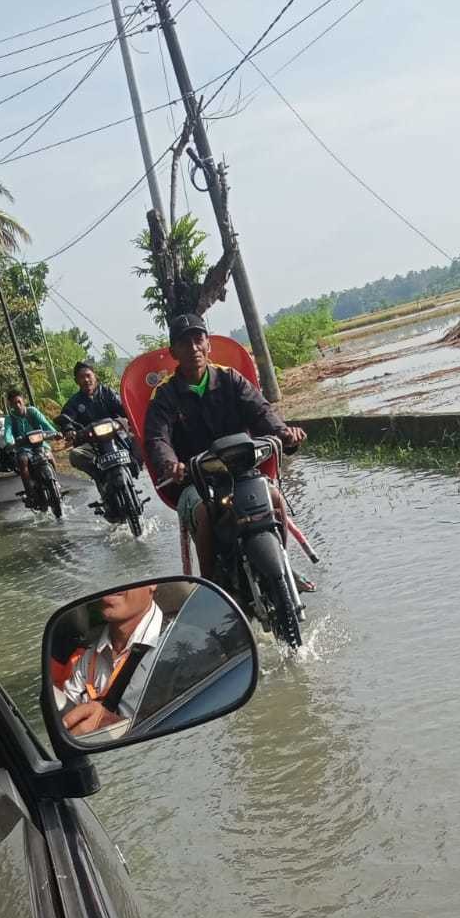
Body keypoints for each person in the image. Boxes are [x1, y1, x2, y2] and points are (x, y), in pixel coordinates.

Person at [142, 313, 308, 582]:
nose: (194, 348)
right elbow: (157, 439)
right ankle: (213, 586)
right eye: (185, 343)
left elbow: (261, 412)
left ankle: (284, 567)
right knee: (204, 514)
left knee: (275, 498)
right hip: (193, 482)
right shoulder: (164, 395)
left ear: (209, 344)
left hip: (240, 472)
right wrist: (170, 464)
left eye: (198, 339)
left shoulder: (231, 379)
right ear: (174, 352)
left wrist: (284, 433)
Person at [60, 586, 165, 737]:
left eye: (126, 567)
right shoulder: (86, 654)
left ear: (153, 583)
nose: (111, 583)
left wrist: (114, 726)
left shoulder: (182, 645)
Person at [58, 360, 140, 483]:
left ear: (94, 376)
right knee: (75, 455)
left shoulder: (108, 393)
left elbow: (123, 408)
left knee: (139, 439)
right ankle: (100, 475)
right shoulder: (74, 402)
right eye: (81, 377)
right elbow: (66, 418)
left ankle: (135, 465)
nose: (86, 380)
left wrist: (130, 417)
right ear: (76, 381)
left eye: (88, 375)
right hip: (92, 443)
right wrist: (69, 429)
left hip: (116, 436)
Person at [4, 391, 59, 501]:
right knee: (22, 462)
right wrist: (10, 442)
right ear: (11, 405)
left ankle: (56, 482)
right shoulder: (9, 418)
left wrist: (55, 433)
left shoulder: (32, 411)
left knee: (49, 456)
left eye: (19, 402)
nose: (18, 405)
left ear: (23, 400)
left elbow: (45, 424)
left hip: (40, 443)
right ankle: (30, 492)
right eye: (14, 403)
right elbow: (8, 432)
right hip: (23, 447)